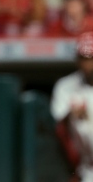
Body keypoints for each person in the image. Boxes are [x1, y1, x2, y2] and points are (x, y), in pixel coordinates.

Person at [51, 32, 93, 182]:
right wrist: (70, 115)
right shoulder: (66, 86)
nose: (88, 64)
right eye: (83, 58)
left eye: (91, 58)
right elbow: (57, 127)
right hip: (83, 166)